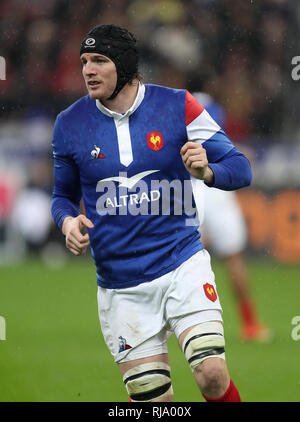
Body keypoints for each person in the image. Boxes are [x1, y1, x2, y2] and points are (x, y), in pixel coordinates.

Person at [51, 24, 252, 402]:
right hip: (120, 283)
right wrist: (67, 221)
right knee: (153, 399)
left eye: (99, 61)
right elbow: (62, 196)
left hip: (181, 264)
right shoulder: (69, 124)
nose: (87, 70)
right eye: (84, 61)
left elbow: (240, 167)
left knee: (211, 373)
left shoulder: (179, 106)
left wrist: (206, 171)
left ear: (123, 66)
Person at [192, 90, 271, 342]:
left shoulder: (179, 113)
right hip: (216, 188)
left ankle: (178, 323)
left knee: (184, 259)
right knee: (234, 258)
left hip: (190, 190)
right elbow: (231, 152)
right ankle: (249, 324)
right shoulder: (212, 117)